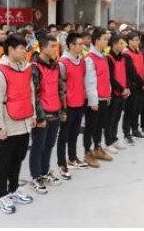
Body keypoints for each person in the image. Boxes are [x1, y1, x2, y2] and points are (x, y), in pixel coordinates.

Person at [0, 34, 35, 214]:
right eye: (21, 48)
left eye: (25, 48)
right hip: (8, 124)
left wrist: (32, 115)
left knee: (18, 157)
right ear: (10, 49)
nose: (25, 51)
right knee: (5, 160)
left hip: (24, 120)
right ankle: (2, 195)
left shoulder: (25, 68)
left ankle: (14, 189)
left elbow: (30, 91)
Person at [29, 34, 63, 194]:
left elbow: (60, 88)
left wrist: (62, 109)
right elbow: (33, 94)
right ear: (42, 48)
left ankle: (45, 171)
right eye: (52, 46)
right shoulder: (34, 67)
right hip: (42, 113)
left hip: (55, 110)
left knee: (49, 145)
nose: (55, 49)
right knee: (38, 146)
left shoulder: (55, 65)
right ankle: (35, 176)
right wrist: (40, 116)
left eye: (56, 46)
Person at [57, 32, 89, 178]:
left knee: (74, 133)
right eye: (80, 44)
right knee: (63, 135)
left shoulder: (81, 61)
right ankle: (61, 163)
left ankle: (72, 157)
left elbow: (82, 80)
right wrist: (62, 108)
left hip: (79, 102)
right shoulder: (62, 63)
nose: (83, 46)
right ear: (71, 45)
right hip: (68, 105)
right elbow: (60, 87)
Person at [83, 27, 113, 167]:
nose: (107, 42)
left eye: (107, 39)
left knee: (100, 125)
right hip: (94, 100)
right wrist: (93, 101)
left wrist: (108, 94)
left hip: (103, 97)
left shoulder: (103, 56)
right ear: (96, 40)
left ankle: (97, 147)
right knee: (90, 126)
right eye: (104, 39)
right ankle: (87, 152)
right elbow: (89, 82)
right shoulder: (90, 58)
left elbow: (106, 77)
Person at [122, 31, 144, 143]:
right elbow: (132, 72)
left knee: (137, 108)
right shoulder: (127, 54)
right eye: (135, 40)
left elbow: (143, 68)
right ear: (129, 41)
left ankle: (135, 129)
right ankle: (126, 132)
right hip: (132, 85)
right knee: (129, 110)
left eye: (138, 40)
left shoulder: (139, 52)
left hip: (140, 84)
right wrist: (142, 82)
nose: (138, 42)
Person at [106, 34, 129, 153]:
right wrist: (121, 89)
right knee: (110, 119)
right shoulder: (109, 58)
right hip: (114, 93)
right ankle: (108, 142)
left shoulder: (122, 57)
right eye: (121, 43)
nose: (123, 45)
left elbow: (125, 74)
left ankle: (114, 138)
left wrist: (127, 88)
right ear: (114, 44)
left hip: (122, 92)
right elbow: (111, 78)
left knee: (117, 118)